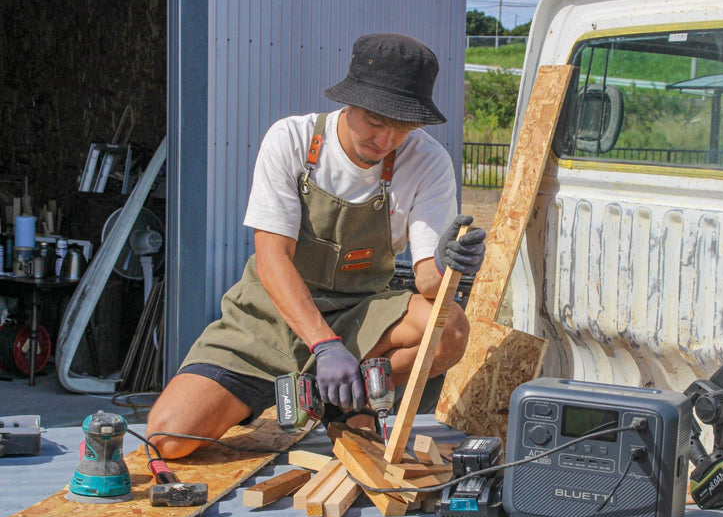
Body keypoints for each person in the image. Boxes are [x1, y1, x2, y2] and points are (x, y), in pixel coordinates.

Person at [147, 33, 486, 458]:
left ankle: (343, 400)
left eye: (401, 129)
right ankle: (291, 392)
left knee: (449, 328)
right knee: (169, 440)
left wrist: (449, 263)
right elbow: (272, 260)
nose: (384, 141)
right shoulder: (291, 140)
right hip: (270, 317)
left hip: (359, 313)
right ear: (350, 101)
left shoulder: (428, 162)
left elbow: (429, 285)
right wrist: (323, 345)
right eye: (376, 122)